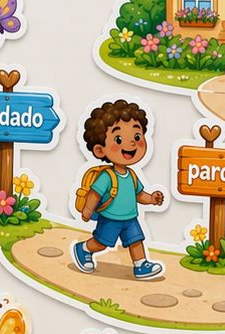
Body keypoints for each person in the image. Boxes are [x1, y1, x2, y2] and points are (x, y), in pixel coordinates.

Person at [71, 98, 166, 280]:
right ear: (100, 150)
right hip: (110, 219)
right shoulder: (107, 176)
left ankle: (141, 265)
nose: (131, 144)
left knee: (136, 241)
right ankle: (83, 249)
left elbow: (139, 194)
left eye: (136, 137)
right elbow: (94, 193)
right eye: (119, 139)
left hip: (130, 218)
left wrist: (151, 199)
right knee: (101, 243)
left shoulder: (132, 175)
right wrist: (88, 210)